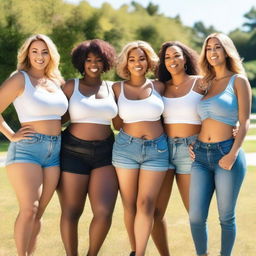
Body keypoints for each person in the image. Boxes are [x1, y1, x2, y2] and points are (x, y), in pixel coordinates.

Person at [0, 34, 68, 256]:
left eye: (45, 51)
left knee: (38, 213)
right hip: (28, 149)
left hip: (54, 151)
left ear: (52, 55)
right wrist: (11, 135)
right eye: (35, 51)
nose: (40, 56)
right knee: (29, 209)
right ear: (27, 54)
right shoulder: (20, 78)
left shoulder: (56, 82)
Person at [189, 33, 251, 256]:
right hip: (200, 157)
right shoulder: (204, 83)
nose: (213, 52)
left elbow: (245, 120)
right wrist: (191, 142)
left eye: (217, 47)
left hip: (227, 153)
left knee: (226, 216)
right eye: (208, 48)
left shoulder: (238, 80)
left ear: (226, 51)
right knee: (195, 217)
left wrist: (233, 154)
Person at [57, 39, 118, 256]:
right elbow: (55, 117)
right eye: (88, 60)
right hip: (72, 153)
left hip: (106, 154)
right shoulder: (70, 86)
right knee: (72, 211)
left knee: (104, 211)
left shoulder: (113, 88)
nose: (93, 64)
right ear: (81, 62)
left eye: (98, 60)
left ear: (106, 63)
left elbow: (123, 121)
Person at [112, 41, 169, 256]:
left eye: (141, 58)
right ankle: (135, 250)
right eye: (132, 58)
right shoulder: (116, 88)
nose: (137, 62)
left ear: (149, 61)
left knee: (146, 203)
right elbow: (116, 123)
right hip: (126, 148)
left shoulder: (160, 86)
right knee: (129, 206)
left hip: (157, 150)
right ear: (125, 62)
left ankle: (140, 253)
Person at [151, 41, 205, 256]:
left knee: (195, 213)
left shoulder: (200, 82)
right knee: (154, 212)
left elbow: (219, 105)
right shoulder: (160, 87)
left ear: (186, 58)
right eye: (167, 57)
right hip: (162, 149)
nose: (172, 61)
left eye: (176, 56)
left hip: (190, 150)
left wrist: (235, 125)